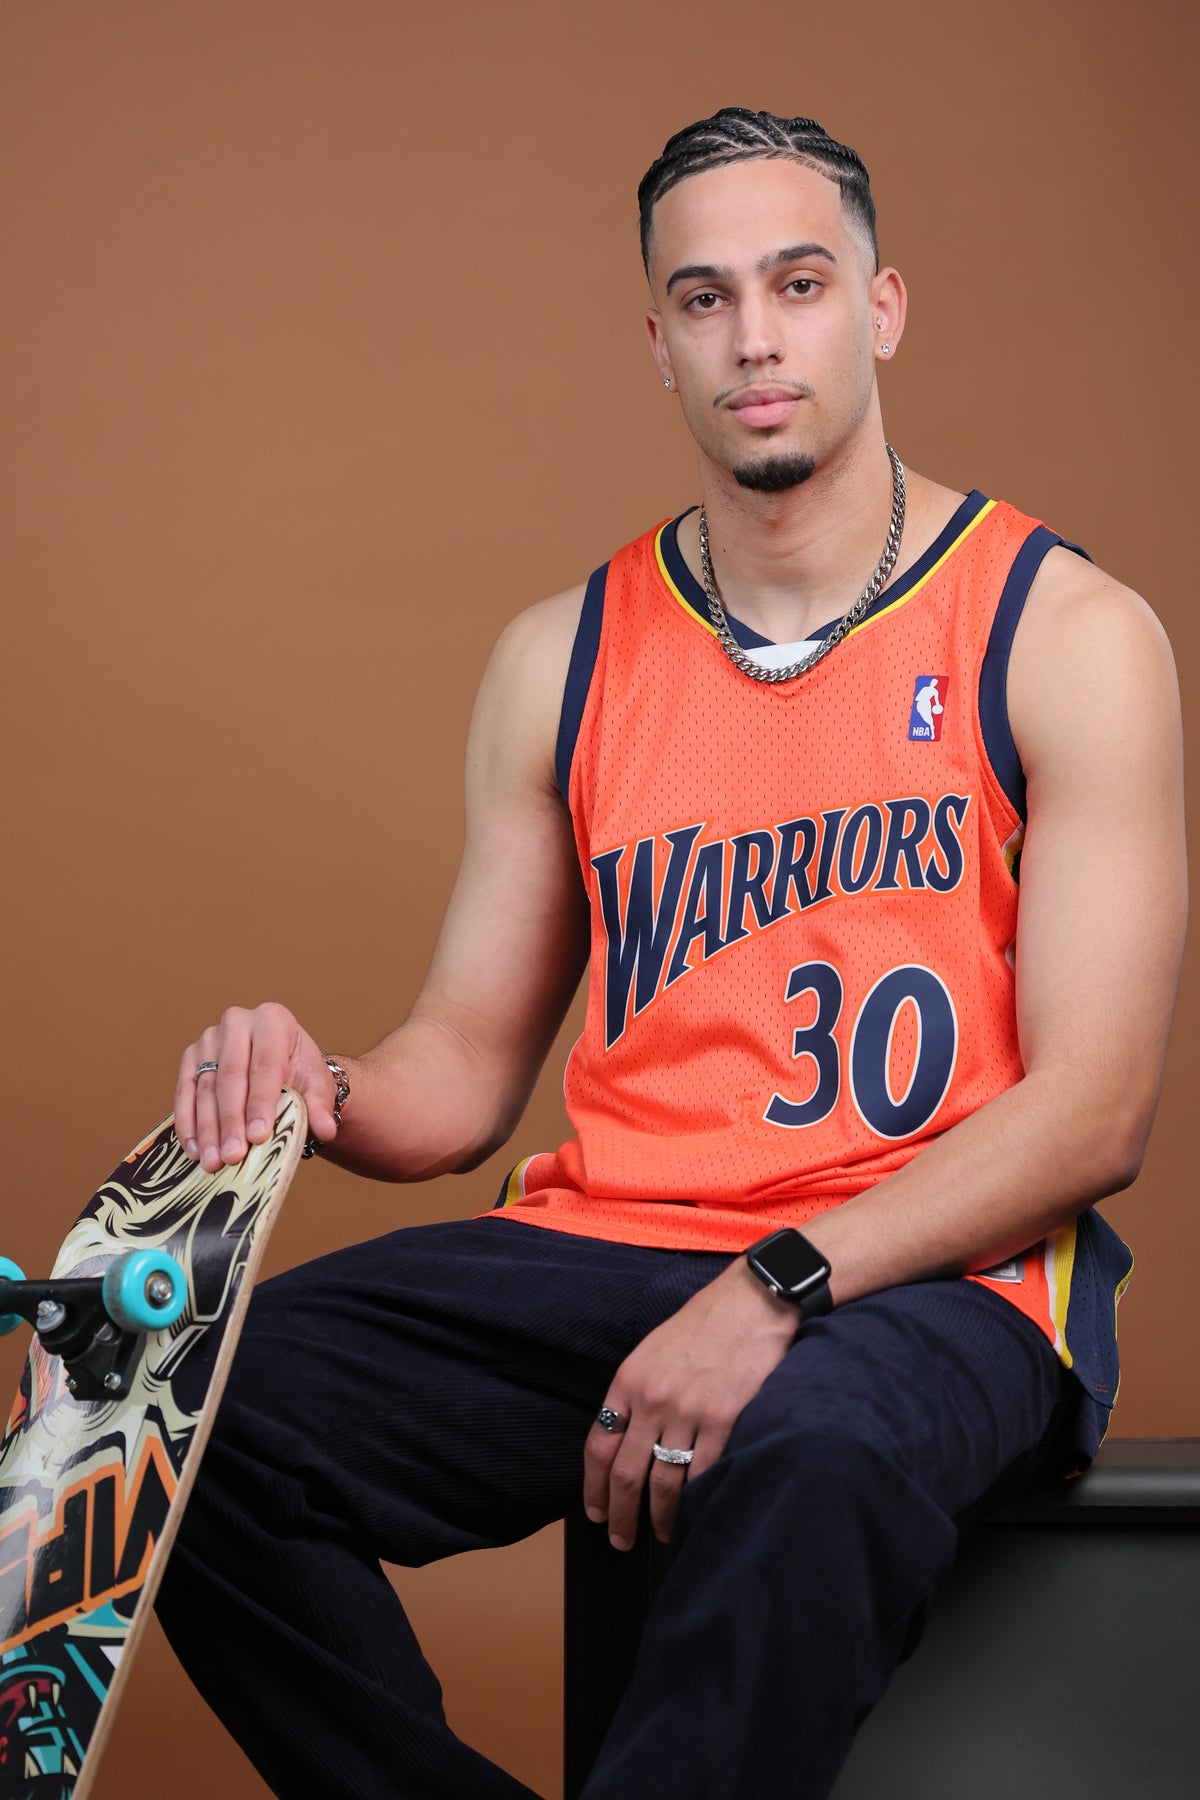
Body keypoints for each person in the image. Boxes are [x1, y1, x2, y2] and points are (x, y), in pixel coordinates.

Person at [156, 108, 1186, 1799]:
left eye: (799, 283)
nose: (754, 337)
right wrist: (312, 1088)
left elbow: (1095, 1112)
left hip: (937, 1276)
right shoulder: (562, 656)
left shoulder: (1063, 632)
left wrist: (778, 1284)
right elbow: (460, 1075)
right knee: (185, 1421)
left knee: (813, 1456)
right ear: (658, 341)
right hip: (613, 1246)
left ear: (882, 308)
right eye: (706, 299)